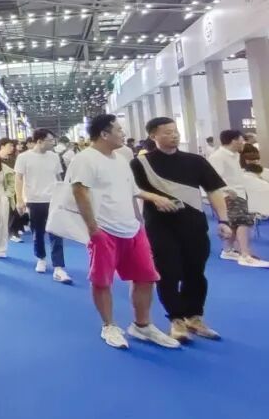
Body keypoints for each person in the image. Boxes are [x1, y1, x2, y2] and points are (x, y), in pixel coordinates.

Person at [67, 115, 181, 350]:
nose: (123, 134)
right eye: (119, 130)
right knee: (102, 281)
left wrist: (155, 198)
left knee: (146, 277)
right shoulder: (85, 159)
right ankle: (109, 325)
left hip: (132, 228)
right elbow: (80, 192)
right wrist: (93, 229)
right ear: (104, 134)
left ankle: (142, 325)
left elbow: (132, 190)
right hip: (104, 230)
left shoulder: (120, 158)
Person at [130, 117, 233, 341]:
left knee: (195, 272)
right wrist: (154, 198)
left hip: (194, 225)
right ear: (153, 136)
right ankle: (176, 319)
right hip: (160, 227)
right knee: (168, 272)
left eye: (175, 131)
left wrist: (223, 220)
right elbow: (133, 190)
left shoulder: (196, 161)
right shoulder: (140, 163)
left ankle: (194, 317)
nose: (174, 135)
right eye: (167, 132)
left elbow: (214, 190)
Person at [14, 129, 72, 284]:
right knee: (37, 232)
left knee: (56, 232)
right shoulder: (24, 157)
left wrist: (63, 195)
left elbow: (58, 177)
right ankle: (41, 258)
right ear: (39, 141)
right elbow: (18, 179)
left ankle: (59, 266)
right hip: (34, 200)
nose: (53, 143)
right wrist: (19, 199)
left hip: (53, 199)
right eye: (50, 140)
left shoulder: (54, 156)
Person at [208, 130, 269, 268]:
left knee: (235, 223)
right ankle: (245, 255)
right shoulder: (218, 156)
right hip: (229, 195)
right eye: (241, 140)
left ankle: (228, 250)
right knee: (243, 221)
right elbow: (213, 177)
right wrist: (227, 190)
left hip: (240, 192)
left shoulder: (235, 155)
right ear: (233, 141)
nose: (243, 143)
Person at [0, 139, 24, 242]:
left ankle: (14, 230)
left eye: (13, 146)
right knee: (7, 211)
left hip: (14, 188)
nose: (12, 148)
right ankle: (11, 232)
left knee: (15, 210)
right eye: (10, 146)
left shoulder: (13, 159)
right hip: (2, 189)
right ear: (2, 147)